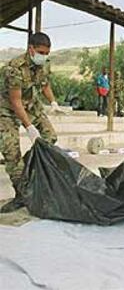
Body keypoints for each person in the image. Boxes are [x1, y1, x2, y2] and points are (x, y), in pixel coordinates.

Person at [0, 32, 65, 213]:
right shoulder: (14, 68)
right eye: (41, 52)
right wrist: (29, 127)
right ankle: (21, 195)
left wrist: (53, 103)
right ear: (31, 49)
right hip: (6, 110)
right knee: (11, 152)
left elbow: (45, 85)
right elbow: (15, 102)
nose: (44, 56)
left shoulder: (42, 65)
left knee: (50, 137)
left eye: (46, 53)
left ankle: (29, 168)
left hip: (31, 104)